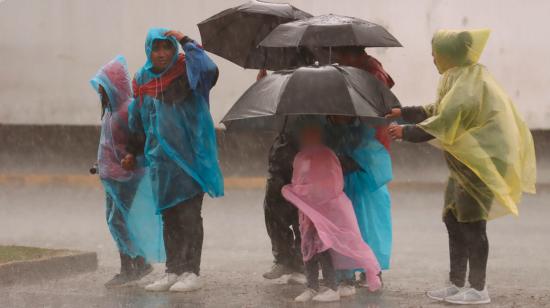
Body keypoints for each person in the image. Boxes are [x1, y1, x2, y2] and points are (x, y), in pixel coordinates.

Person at [387, 29, 536, 305]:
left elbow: (444, 122)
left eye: (436, 53)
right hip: (464, 164)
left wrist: (406, 132)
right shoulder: (458, 76)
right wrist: (404, 112)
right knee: (453, 219)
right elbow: (438, 109)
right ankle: (457, 283)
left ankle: (478, 289)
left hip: (481, 163)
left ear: (449, 55)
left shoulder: (468, 86)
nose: (432, 58)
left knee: (472, 224)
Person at [124, 28, 224, 292]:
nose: (161, 54)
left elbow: (210, 70)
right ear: (148, 50)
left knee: (189, 216)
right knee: (169, 217)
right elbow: (137, 120)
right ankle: (173, 269)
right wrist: (131, 152)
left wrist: (185, 41)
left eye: (167, 47)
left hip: (190, 160)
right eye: (155, 48)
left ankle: (191, 271)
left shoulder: (188, 72)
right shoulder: (142, 79)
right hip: (161, 163)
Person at [282, 121, 382, 303]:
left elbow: (334, 185)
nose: (307, 139)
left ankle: (331, 286)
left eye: (312, 135)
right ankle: (312, 286)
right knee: (307, 248)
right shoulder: (300, 157)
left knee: (322, 247)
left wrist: (311, 193)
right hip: (307, 213)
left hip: (325, 212)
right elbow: (297, 181)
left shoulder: (328, 156)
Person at [90, 55, 164, 287]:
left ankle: (134, 263)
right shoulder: (112, 110)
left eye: (104, 86)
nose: (100, 91)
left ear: (114, 86)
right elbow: (109, 144)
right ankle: (135, 262)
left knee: (118, 220)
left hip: (124, 176)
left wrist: (132, 159)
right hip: (112, 175)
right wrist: (99, 164)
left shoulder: (125, 110)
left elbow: (137, 139)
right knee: (116, 220)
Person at [325, 116, 392, 296]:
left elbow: (375, 162)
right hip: (343, 188)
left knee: (368, 229)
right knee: (346, 229)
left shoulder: (363, 131)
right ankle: (347, 273)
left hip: (364, 191)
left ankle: (370, 269)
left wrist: (354, 161)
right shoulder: (330, 130)